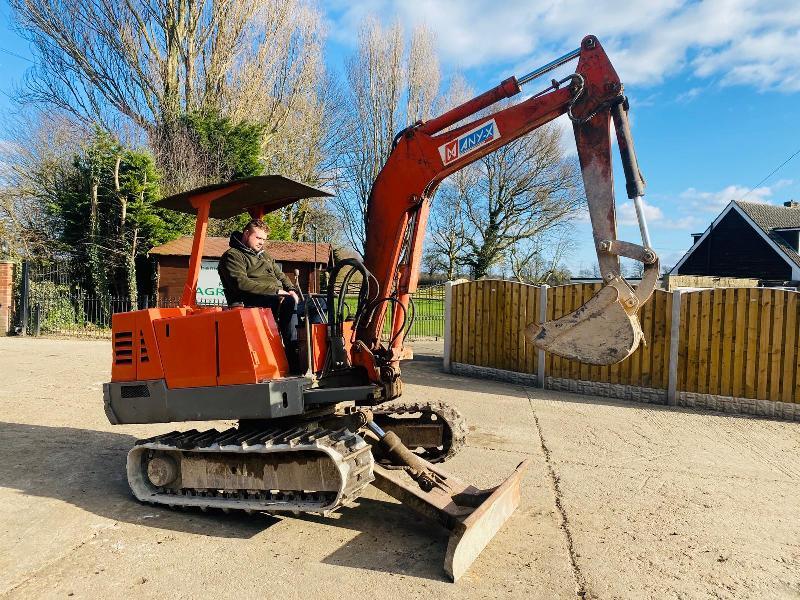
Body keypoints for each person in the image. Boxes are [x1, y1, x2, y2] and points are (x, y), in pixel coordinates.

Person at [217, 219, 301, 368]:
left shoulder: (265, 256)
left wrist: (291, 289)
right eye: (258, 238)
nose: (261, 242)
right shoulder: (233, 256)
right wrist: (276, 291)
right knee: (289, 303)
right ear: (246, 233)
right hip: (251, 302)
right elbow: (241, 283)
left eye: (264, 239)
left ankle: (318, 357)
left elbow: (280, 275)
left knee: (317, 303)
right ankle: (293, 358)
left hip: (275, 297)